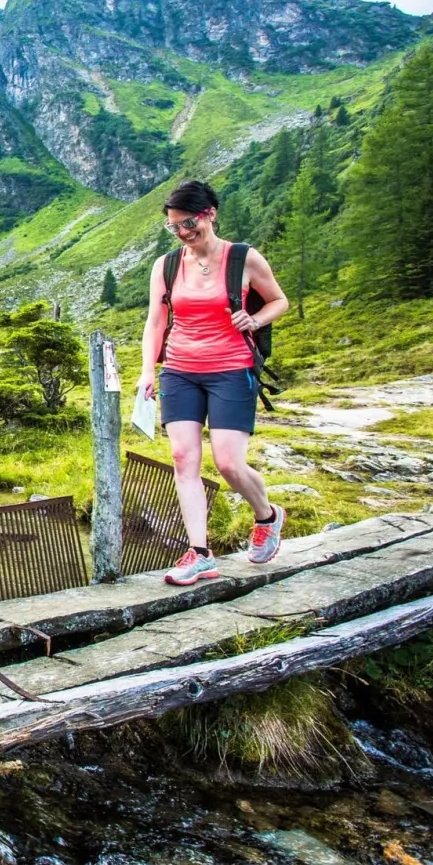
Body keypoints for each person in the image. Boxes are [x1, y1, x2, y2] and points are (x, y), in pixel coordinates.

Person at [137, 180, 290, 587]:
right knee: (184, 459)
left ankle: (267, 516)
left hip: (231, 369)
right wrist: (148, 370)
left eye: (190, 223)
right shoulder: (166, 266)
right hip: (180, 370)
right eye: (175, 227)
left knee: (228, 463)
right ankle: (200, 553)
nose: (184, 233)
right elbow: (156, 321)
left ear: (211, 214)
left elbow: (279, 300)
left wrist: (255, 320)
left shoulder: (243, 259)